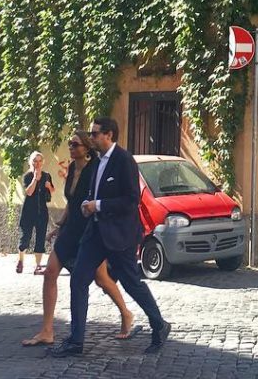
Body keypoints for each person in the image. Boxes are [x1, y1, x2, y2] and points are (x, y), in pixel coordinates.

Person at [50, 117, 170, 357]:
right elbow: (94, 193)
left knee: (131, 283)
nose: (91, 138)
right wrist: (88, 205)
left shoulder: (124, 160)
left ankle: (159, 324)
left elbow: (131, 200)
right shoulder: (97, 162)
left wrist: (98, 205)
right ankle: (76, 341)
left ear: (109, 135)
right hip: (95, 233)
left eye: (95, 134)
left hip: (120, 235)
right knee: (78, 280)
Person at [22, 132, 133, 346]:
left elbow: (102, 199)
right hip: (71, 228)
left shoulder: (95, 169)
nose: (71, 148)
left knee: (101, 279)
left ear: (86, 148)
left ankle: (126, 313)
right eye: (69, 144)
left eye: (75, 144)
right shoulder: (72, 168)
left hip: (90, 230)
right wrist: (59, 226)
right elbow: (72, 202)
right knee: (50, 273)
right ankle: (47, 331)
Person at [17, 151, 55, 274]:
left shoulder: (47, 175)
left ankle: (38, 265)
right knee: (25, 238)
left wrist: (49, 186)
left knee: (40, 238)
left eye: (39, 161)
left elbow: (52, 190)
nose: (37, 163)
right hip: (28, 211)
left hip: (42, 211)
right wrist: (35, 179)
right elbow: (29, 192)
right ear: (31, 162)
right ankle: (20, 260)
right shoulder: (27, 176)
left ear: (42, 162)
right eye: (35, 161)